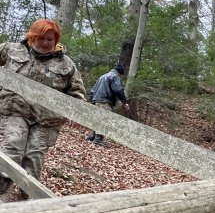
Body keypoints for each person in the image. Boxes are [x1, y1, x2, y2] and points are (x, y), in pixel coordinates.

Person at [0, 19, 86, 201]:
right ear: (32, 36)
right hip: (16, 110)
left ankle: (25, 201)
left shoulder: (66, 64)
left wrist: (76, 112)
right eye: (41, 38)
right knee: (13, 146)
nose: (45, 43)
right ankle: (2, 196)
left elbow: (77, 92)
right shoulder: (12, 49)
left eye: (50, 39)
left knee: (33, 158)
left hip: (47, 121)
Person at [85, 64, 129, 146]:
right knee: (104, 120)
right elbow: (118, 90)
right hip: (104, 100)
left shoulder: (103, 76)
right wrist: (124, 101)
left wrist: (92, 99)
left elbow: (93, 90)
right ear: (120, 73)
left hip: (96, 100)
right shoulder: (114, 76)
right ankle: (98, 140)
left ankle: (92, 137)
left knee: (97, 119)